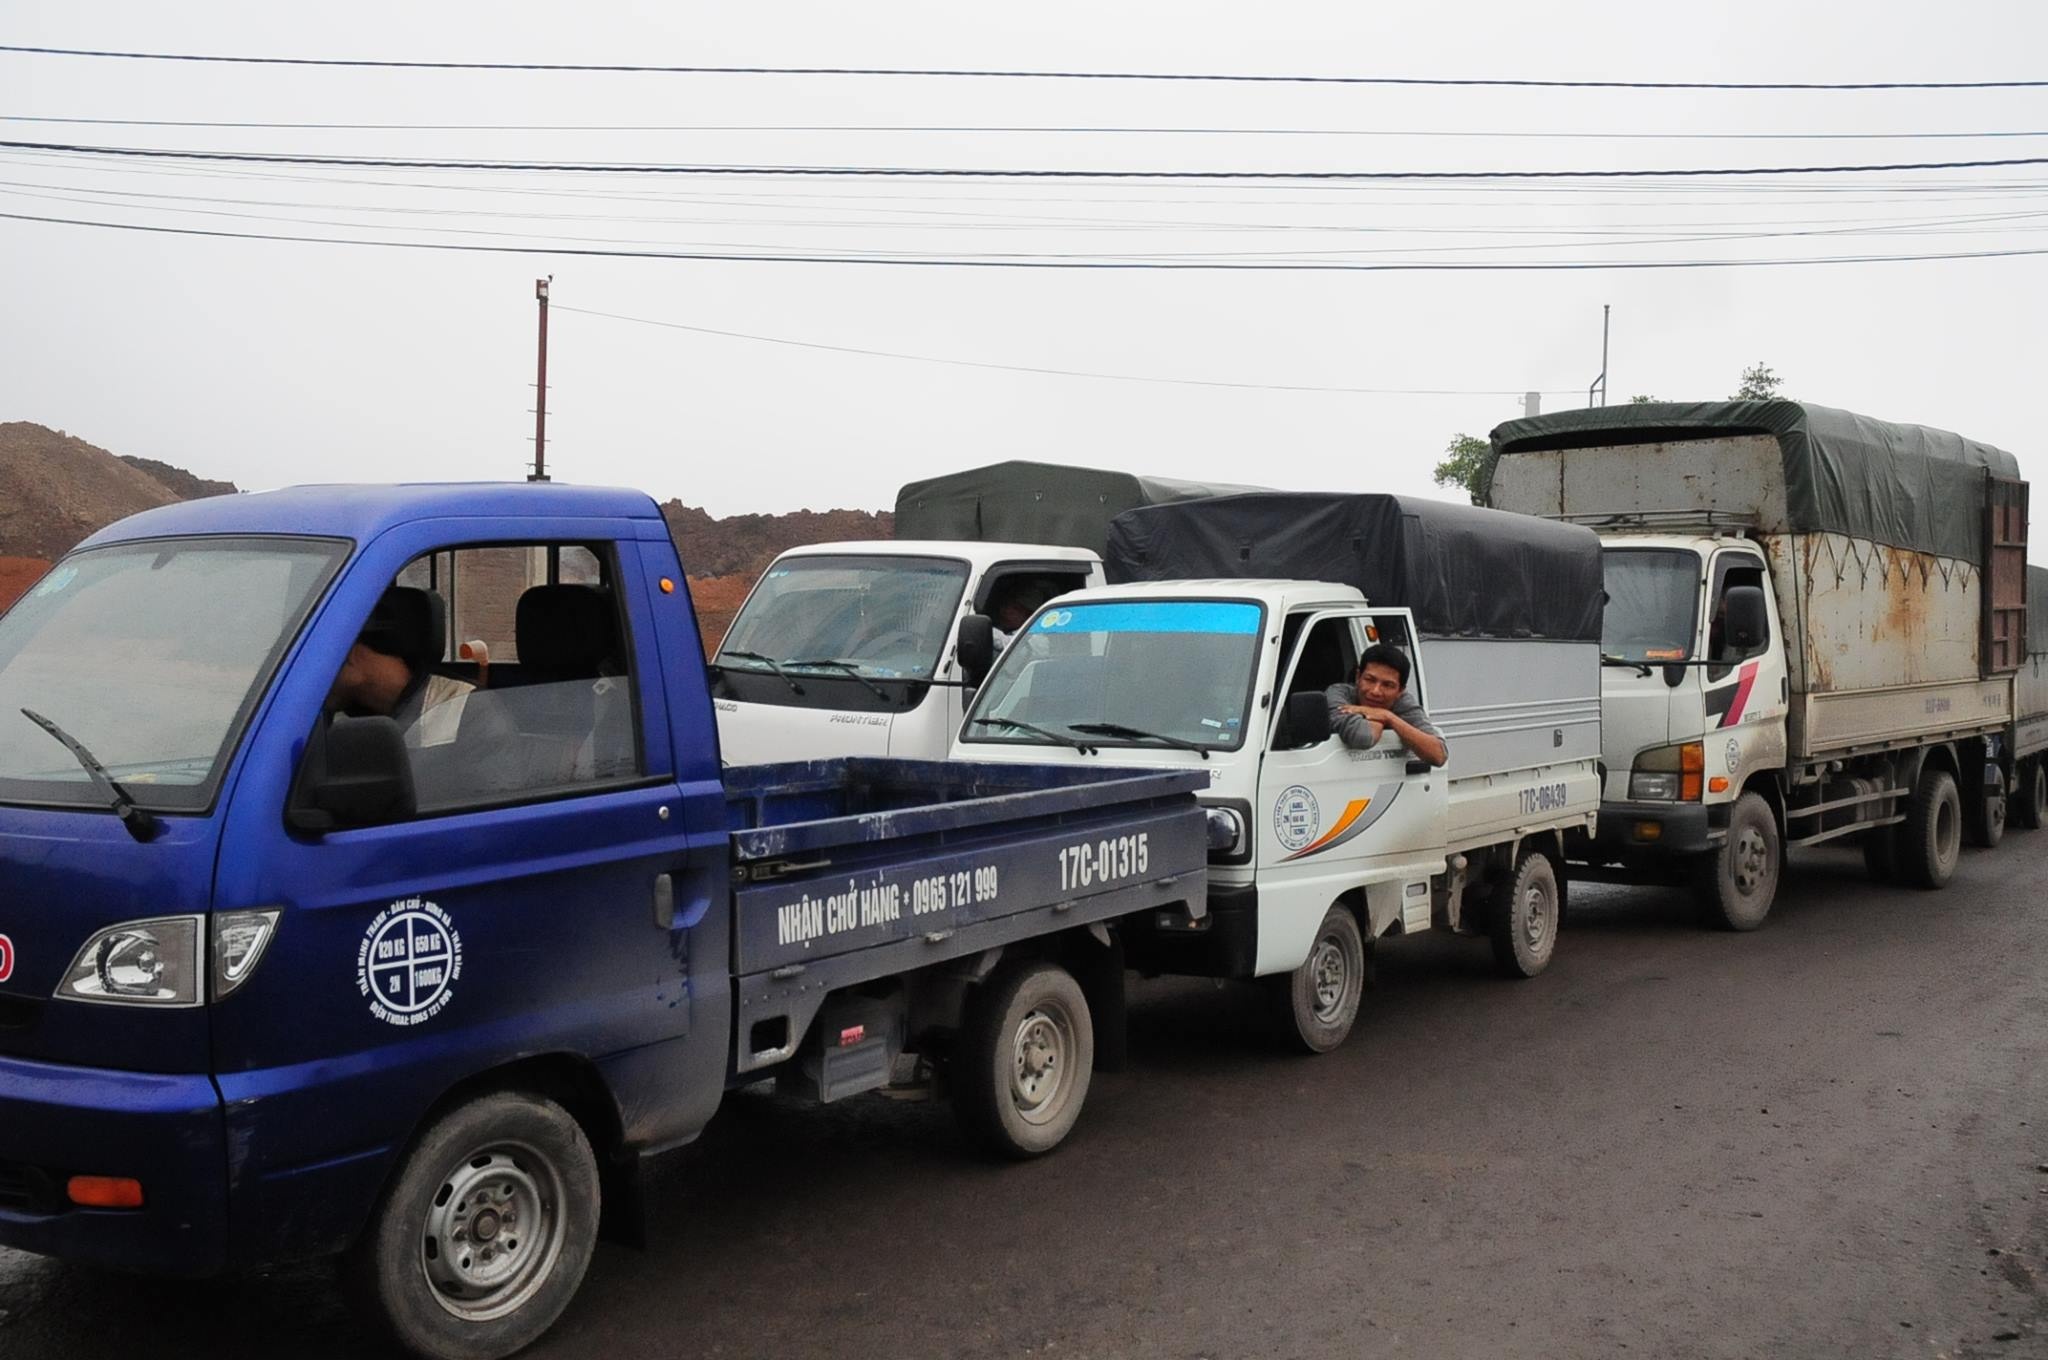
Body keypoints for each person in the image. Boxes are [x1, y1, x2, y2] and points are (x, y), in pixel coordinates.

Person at [327, 586, 473, 748]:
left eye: (327, 652)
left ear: (351, 654)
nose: (322, 669)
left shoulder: (467, 710)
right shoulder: (340, 721)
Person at [1324, 642, 1448, 767]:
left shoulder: (1402, 702)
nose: (1375, 691)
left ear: (1401, 690)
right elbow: (1362, 736)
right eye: (1370, 680)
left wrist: (1388, 717)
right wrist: (1378, 717)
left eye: (1387, 685)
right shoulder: (1338, 694)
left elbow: (1438, 755)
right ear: (1358, 677)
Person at [990, 579, 1053, 648]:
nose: (1007, 610)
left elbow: (1010, 644)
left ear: (1028, 616)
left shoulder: (1035, 637)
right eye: (1007, 604)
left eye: (1016, 608)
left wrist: (986, 632)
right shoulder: (998, 628)